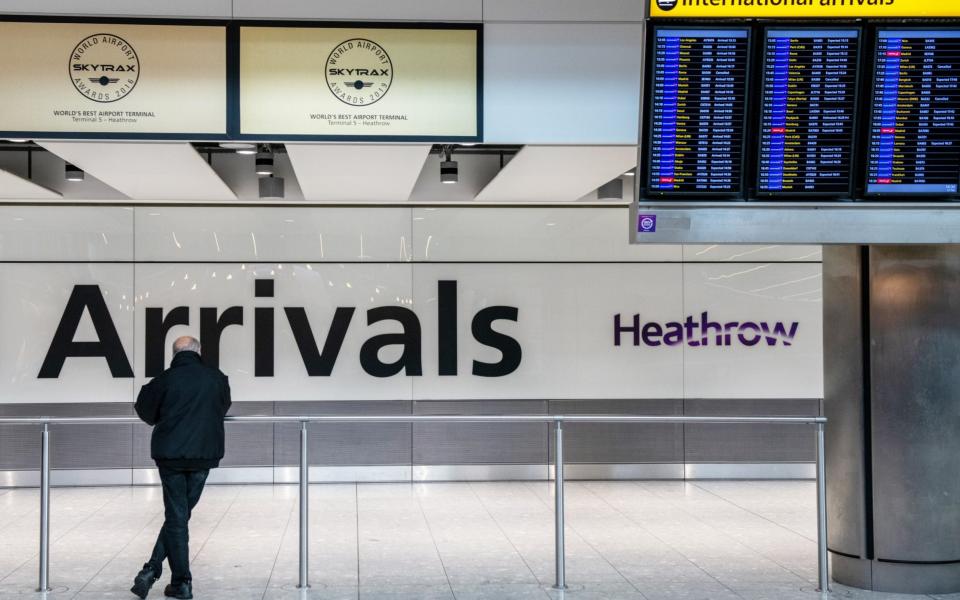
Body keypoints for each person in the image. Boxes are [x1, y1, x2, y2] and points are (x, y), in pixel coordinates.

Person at [131, 336, 231, 600]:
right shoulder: (217, 378)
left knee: (177, 517)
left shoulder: (163, 380)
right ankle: (173, 579)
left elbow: (145, 413)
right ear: (199, 351)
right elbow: (222, 407)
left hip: (171, 457)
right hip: (203, 456)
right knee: (179, 516)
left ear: (174, 354)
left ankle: (158, 573)